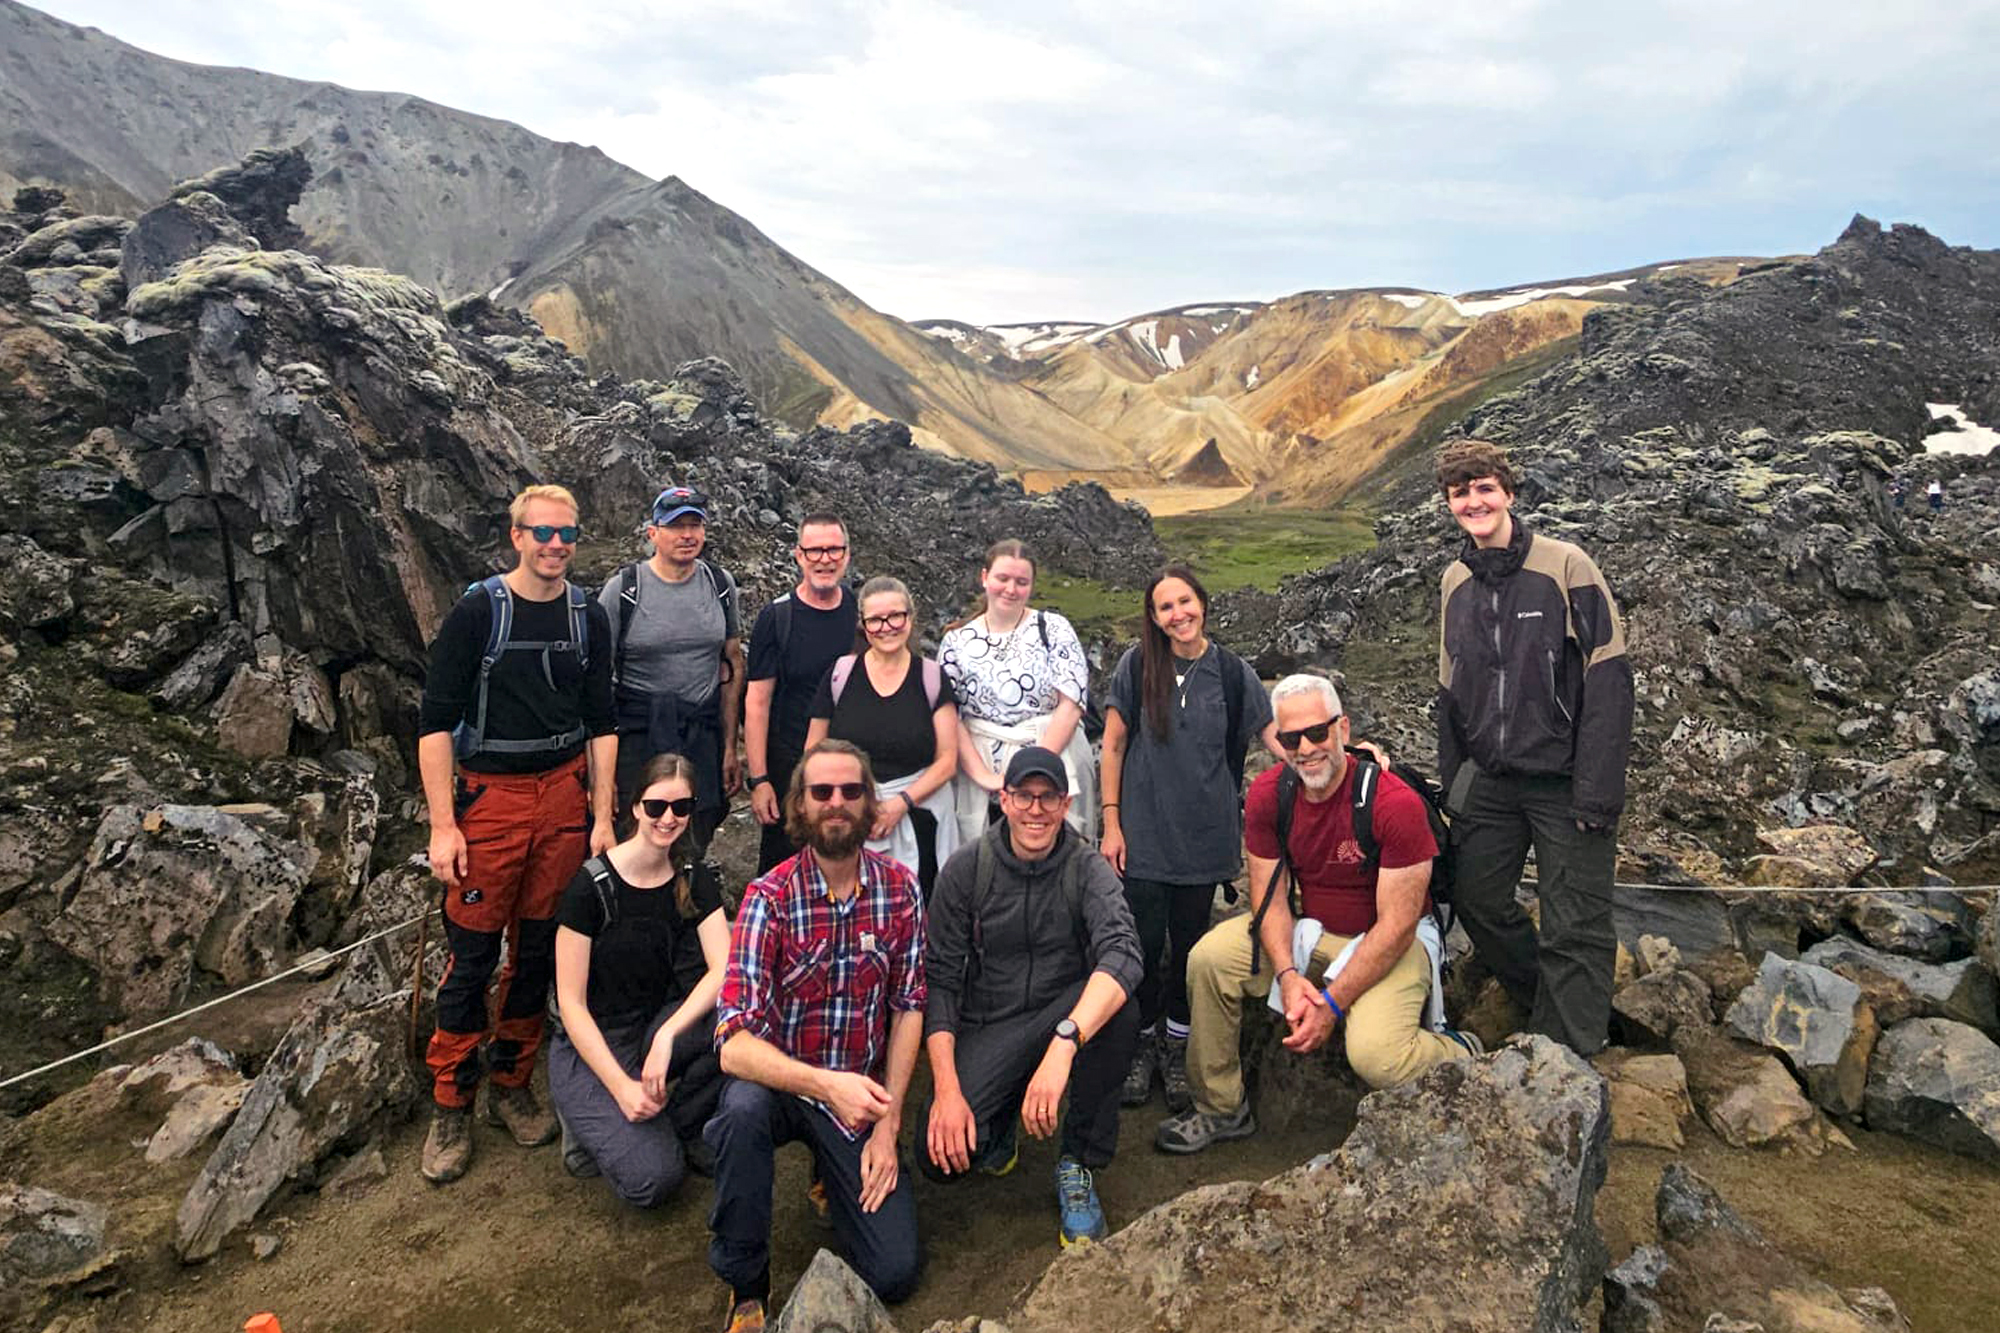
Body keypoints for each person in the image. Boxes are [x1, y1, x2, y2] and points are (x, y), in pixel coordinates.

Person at [1156, 675, 1479, 1154]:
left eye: (1317, 733)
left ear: (1342, 729)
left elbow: (1397, 925)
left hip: (1393, 943)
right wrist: (1287, 974)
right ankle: (1220, 1105)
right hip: (1315, 932)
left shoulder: (1394, 805)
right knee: (1209, 959)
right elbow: (1270, 900)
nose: (1305, 748)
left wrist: (1331, 1005)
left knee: (1378, 1057)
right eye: (1290, 739)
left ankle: (1461, 1052)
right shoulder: (1271, 796)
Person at [414, 483, 617, 1184]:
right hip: (490, 800)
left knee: (537, 952)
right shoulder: (476, 613)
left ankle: (511, 1083)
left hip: (563, 793)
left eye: (567, 533)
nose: (556, 544)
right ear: (517, 537)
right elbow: (435, 722)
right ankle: (451, 1100)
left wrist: (602, 815)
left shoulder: (588, 616)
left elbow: (602, 720)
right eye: (543, 532)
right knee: (471, 956)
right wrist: (444, 825)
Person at [705, 740, 926, 1331]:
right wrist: (827, 1087)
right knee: (739, 1115)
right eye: (821, 792)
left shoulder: (901, 890)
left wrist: (890, 1120)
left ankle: (833, 1170)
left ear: (869, 804)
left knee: (895, 1271)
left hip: (857, 1098)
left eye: (851, 792)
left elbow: (909, 1007)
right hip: (785, 1084)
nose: (836, 803)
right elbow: (733, 1044)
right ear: (800, 806)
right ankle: (745, 1282)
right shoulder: (767, 899)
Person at [1434, 437, 1633, 1055]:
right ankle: (1552, 1003)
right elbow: (1451, 690)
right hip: (1490, 781)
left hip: (1563, 778)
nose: (1474, 501)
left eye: (1484, 488)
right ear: (1449, 505)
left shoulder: (1565, 565)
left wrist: (1597, 794)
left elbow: (1608, 678)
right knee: (1478, 900)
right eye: (1461, 492)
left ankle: (1568, 1057)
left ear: (1509, 493)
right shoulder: (1454, 581)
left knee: (1575, 919)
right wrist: (1454, 790)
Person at [920, 747, 1143, 1248]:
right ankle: (997, 1120)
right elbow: (939, 981)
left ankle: (1078, 1159)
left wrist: (1065, 1042)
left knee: (1120, 1009)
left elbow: (1123, 952)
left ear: (1066, 805)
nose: (1036, 810)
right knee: (940, 1159)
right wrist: (948, 1091)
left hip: (1059, 1010)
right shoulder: (965, 871)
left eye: (1049, 798)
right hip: (990, 1022)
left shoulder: (1086, 867)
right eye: (1024, 796)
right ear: (1004, 799)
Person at [1098, 565, 1277, 1114]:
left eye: (1185, 602)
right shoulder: (1136, 666)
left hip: (1205, 839)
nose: (1178, 614)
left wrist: (1341, 754)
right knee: (1144, 948)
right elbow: (1112, 747)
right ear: (1153, 617)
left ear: (1202, 602)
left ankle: (1178, 1047)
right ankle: (1141, 1046)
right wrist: (1111, 821)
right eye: (1165, 607)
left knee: (1192, 952)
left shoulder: (1231, 671)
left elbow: (1271, 735)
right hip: (1144, 837)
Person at [550, 752, 729, 1206]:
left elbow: (724, 969)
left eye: (681, 808)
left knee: (735, 1017)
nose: (668, 819)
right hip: (593, 1040)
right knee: (654, 1181)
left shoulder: (692, 875)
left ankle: (681, 1123)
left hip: (653, 1026)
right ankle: (598, 1118)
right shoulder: (590, 888)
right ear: (635, 808)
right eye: (656, 807)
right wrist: (620, 1087)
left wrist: (668, 1034)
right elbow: (570, 1004)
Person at [601, 485, 744, 853]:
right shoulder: (624, 591)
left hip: (701, 733)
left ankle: (687, 900)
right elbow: (596, 681)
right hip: (638, 733)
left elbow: (730, 665)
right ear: (653, 533)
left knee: (696, 829)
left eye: (695, 525)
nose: (687, 535)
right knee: (636, 834)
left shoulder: (720, 585)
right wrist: (601, 777)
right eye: (676, 526)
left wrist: (729, 747)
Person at [806, 575, 961, 896]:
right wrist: (853, 804)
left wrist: (899, 804)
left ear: (910, 618)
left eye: (895, 616)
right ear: (863, 624)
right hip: (849, 816)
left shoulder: (931, 677)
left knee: (921, 911)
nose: (886, 627)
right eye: (875, 620)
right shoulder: (840, 675)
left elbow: (947, 760)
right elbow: (813, 752)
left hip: (921, 820)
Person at [939, 539, 1097, 847]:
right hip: (981, 774)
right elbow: (949, 715)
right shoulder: (955, 641)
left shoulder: (1054, 628)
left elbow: (1071, 703)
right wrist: (985, 777)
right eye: (1002, 579)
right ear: (985, 577)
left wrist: (1035, 769)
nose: (1011, 589)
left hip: (1052, 761)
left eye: (1021, 582)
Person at [744, 513, 858, 874]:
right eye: (815, 551)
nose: (825, 559)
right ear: (798, 555)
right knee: (783, 872)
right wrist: (760, 780)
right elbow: (757, 703)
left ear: (847, 554)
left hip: (850, 771)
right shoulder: (776, 618)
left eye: (834, 550)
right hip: (788, 771)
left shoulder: (861, 614)